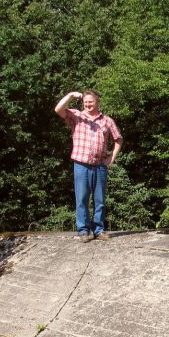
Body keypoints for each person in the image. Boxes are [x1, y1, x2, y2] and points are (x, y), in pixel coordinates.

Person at [54, 89, 123, 242]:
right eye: (86, 102)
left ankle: (99, 230)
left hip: (100, 165)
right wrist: (71, 95)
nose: (88, 104)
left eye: (91, 101)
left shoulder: (107, 121)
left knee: (100, 200)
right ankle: (83, 231)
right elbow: (58, 109)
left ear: (98, 102)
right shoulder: (76, 116)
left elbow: (118, 139)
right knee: (82, 199)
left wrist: (112, 157)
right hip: (81, 165)